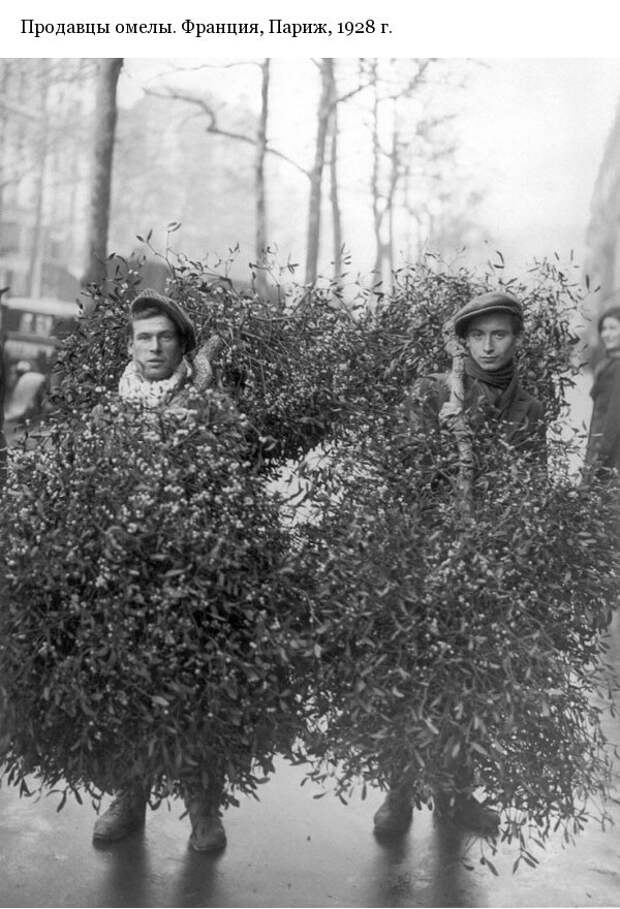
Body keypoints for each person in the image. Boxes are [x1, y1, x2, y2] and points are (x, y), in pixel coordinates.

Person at [373, 290, 547, 838]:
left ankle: (456, 796)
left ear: (517, 340)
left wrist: (513, 543)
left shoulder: (531, 408)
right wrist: (441, 442)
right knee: (416, 673)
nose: (489, 345)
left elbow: (532, 487)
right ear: (463, 341)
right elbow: (400, 472)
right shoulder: (432, 390)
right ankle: (398, 793)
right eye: (478, 335)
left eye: (500, 334)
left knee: (475, 680)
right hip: (429, 550)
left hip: (492, 557)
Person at [92, 289, 226, 853]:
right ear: (130, 345)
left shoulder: (210, 407)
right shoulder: (108, 411)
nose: (154, 346)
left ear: (181, 345)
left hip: (193, 571)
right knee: (129, 687)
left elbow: (230, 485)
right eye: (144, 337)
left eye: (165, 336)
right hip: (126, 573)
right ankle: (130, 795)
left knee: (195, 690)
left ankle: (203, 809)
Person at [584, 306, 620, 477]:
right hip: (600, 445)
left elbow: (614, 416)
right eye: (604, 329)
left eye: (613, 328)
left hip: (610, 454)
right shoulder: (608, 363)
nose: (607, 334)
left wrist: (597, 461)